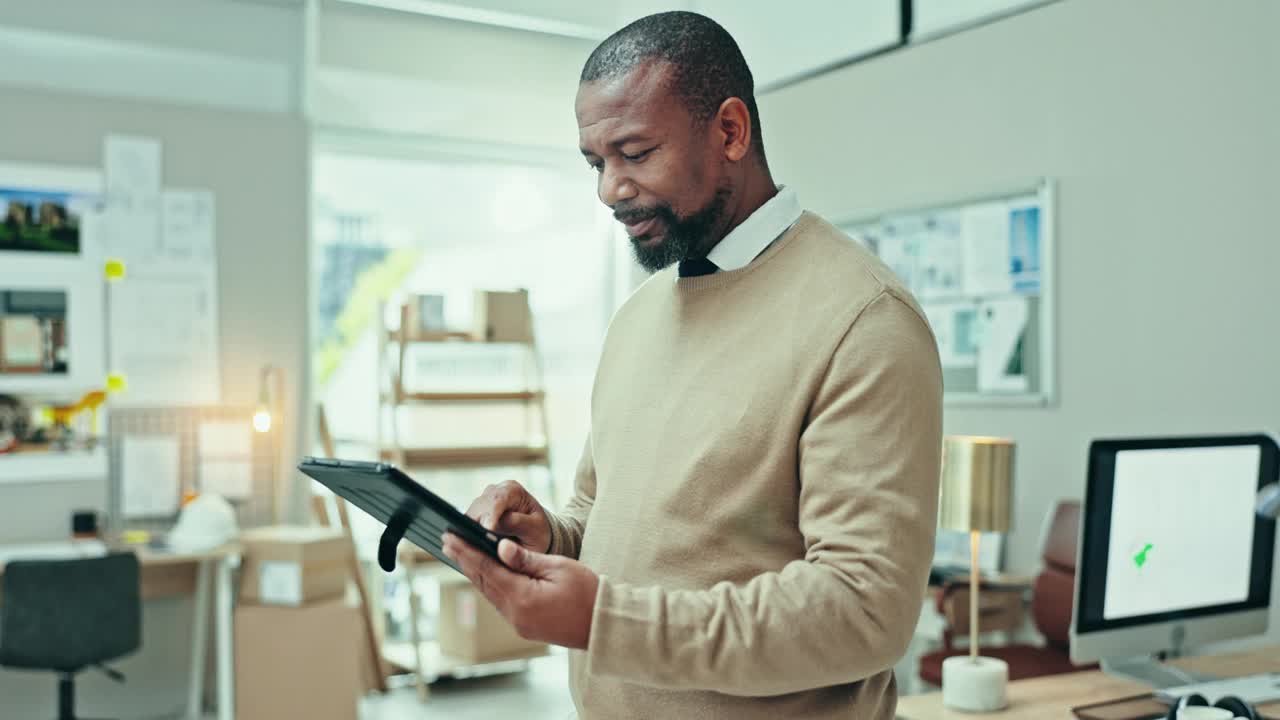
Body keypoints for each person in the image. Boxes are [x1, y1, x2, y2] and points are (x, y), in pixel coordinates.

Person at [441, 11, 943, 719]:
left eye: (636, 153)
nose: (609, 190)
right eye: (596, 162)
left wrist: (605, 623)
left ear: (731, 132)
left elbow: (863, 609)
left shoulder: (864, 319)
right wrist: (549, 536)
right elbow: (604, 517)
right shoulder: (640, 317)